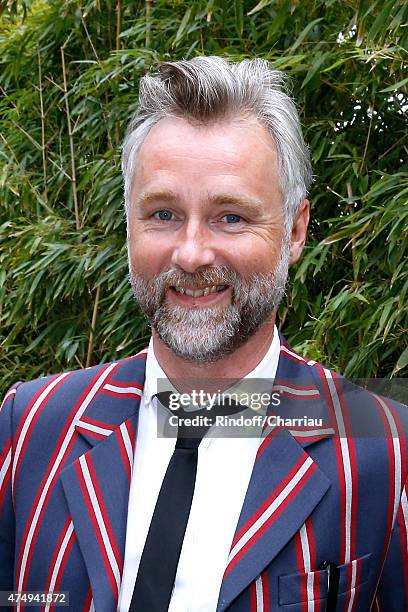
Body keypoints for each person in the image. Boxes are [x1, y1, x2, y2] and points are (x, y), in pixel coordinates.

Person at [0, 56, 407, 612]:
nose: (191, 253)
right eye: (163, 214)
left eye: (231, 217)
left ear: (294, 230)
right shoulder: (31, 425)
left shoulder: (385, 445)